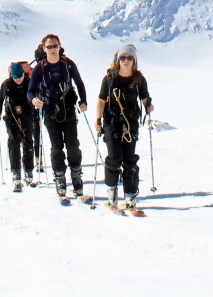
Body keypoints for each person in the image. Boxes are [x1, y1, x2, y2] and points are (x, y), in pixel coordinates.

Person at [28, 34, 88, 199]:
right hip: (50, 111)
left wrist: (83, 101)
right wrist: (33, 100)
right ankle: (60, 180)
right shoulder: (40, 68)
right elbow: (30, 90)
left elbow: (80, 83)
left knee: (72, 145)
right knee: (56, 146)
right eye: (49, 47)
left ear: (60, 47)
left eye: (55, 46)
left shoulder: (68, 64)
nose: (53, 49)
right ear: (44, 49)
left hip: (68, 109)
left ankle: (76, 179)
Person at [95, 42, 153, 210]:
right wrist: (98, 120)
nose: (126, 61)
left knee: (129, 160)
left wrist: (148, 105)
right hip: (112, 122)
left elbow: (145, 98)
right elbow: (100, 100)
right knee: (114, 158)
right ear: (118, 59)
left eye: (129, 57)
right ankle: (112, 195)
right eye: (123, 57)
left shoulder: (139, 79)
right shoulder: (109, 78)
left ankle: (130, 196)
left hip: (131, 123)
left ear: (134, 60)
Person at [0, 61, 36, 188]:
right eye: (15, 78)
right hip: (11, 117)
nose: (18, 80)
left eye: (20, 77)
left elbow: (35, 95)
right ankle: (16, 172)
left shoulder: (28, 83)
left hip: (27, 116)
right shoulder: (6, 85)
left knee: (28, 141)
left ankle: (29, 171)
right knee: (13, 141)